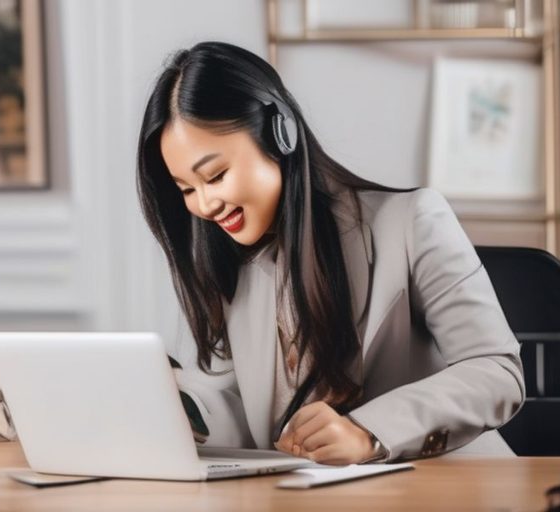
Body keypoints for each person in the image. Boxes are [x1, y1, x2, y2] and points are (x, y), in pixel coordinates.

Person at [136, 41, 525, 465]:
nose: (204, 205)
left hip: (444, 492)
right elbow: (239, 415)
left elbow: (496, 372)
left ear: (279, 134)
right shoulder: (228, 265)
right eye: (186, 189)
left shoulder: (412, 222)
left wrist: (369, 432)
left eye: (216, 175)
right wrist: (183, 407)